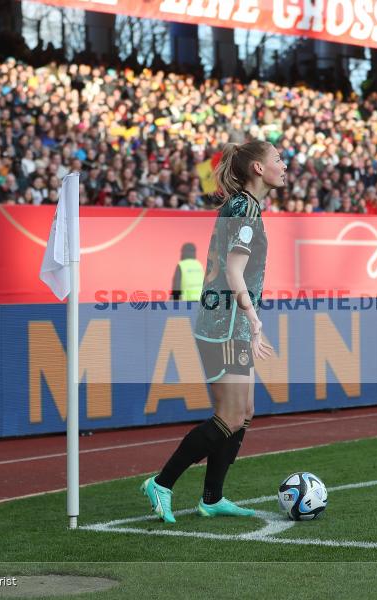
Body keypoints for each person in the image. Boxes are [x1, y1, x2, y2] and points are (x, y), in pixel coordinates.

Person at [140, 140, 286, 523]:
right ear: (257, 168)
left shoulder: (246, 206)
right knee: (230, 415)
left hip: (230, 324)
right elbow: (235, 272)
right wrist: (254, 320)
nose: (283, 165)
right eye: (277, 159)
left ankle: (212, 497)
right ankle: (162, 482)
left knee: (245, 411)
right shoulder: (243, 208)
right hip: (224, 326)